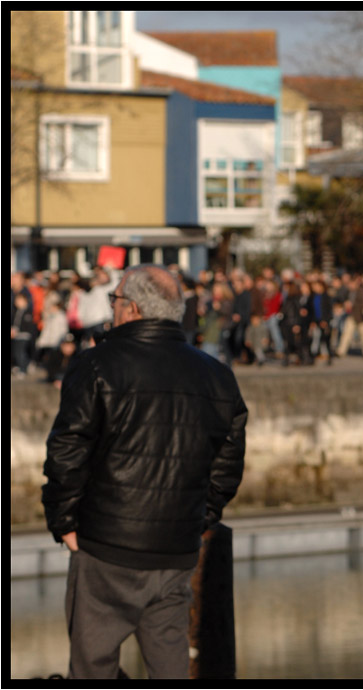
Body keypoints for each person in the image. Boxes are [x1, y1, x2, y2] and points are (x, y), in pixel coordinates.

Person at [41, 264, 247, 679]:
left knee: (92, 666)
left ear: (131, 309)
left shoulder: (97, 365)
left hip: (105, 543)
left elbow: (67, 449)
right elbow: (227, 465)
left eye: (115, 300)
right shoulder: (217, 376)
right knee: (170, 664)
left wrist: (64, 521)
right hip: (176, 548)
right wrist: (199, 517)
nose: (112, 308)